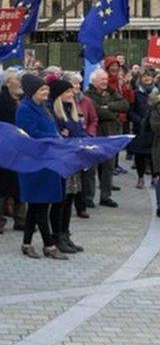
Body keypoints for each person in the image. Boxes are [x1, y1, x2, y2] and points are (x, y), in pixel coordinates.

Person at [15, 74, 68, 260]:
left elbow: (51, 128)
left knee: (37, 205)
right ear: (32, 92)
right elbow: (32, 134)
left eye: (46, 89)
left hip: (48, 160)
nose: (46, 92)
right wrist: (54, 138)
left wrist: (58, 136)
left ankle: (26, 243)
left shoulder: (43, 107)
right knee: (40, 205)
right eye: (42, 89)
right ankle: (49, 245)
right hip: (34, 163)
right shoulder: (24, 109)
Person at [0, 70, 26, 233]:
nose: (20, 84)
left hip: (22, 149)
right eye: (17, 80)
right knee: (1, 187)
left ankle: (21, 219)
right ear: (8, 83)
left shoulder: (25, 101)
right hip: (3, 149)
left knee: (21, 186)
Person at [48, 78, 86, 254]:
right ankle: (56, 235)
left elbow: (77, 132)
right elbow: (59, 135)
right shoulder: (54, 113)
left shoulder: (72, 110)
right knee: (60, 201)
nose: (72, 95)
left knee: (70, 199)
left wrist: (70, 132)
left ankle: (65, 233)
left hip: (73, 160)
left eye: (72, 92)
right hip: (61, 162)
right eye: (67, 92)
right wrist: (67, 133)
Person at [86, 69, 129, 208]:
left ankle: (106, 196)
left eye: (105, 79)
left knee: (108, 166)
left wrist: (108, 106)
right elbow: (96, 111)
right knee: (91, 167)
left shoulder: (112, 92)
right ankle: (88, 197)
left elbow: (125, 105)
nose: (105, 82)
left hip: (110, 133)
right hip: (94, 134)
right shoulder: (87, 95)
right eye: (101, 79)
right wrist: (111, 112)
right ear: (93, 81)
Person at [67, 72, 97, 218]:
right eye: (73, 83)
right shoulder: (63, 101)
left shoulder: (86, 101)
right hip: (70, 142)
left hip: (85, 139)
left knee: (84, 174)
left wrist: (90, 134)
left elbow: (93, 119)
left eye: (78, 83)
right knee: (72, 175)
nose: (77, 86)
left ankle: (82, 205)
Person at [128, 69, 155, 189]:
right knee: (139, 155)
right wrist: (139, 121)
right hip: (140, 130)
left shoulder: (157, 92)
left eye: (149, 77)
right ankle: (140, 178)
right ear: (141, 79)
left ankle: (155, 178)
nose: (147, 79)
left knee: (154, 156)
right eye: (144, 77)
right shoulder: (136, 93)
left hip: (155, 130)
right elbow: (130, 112)